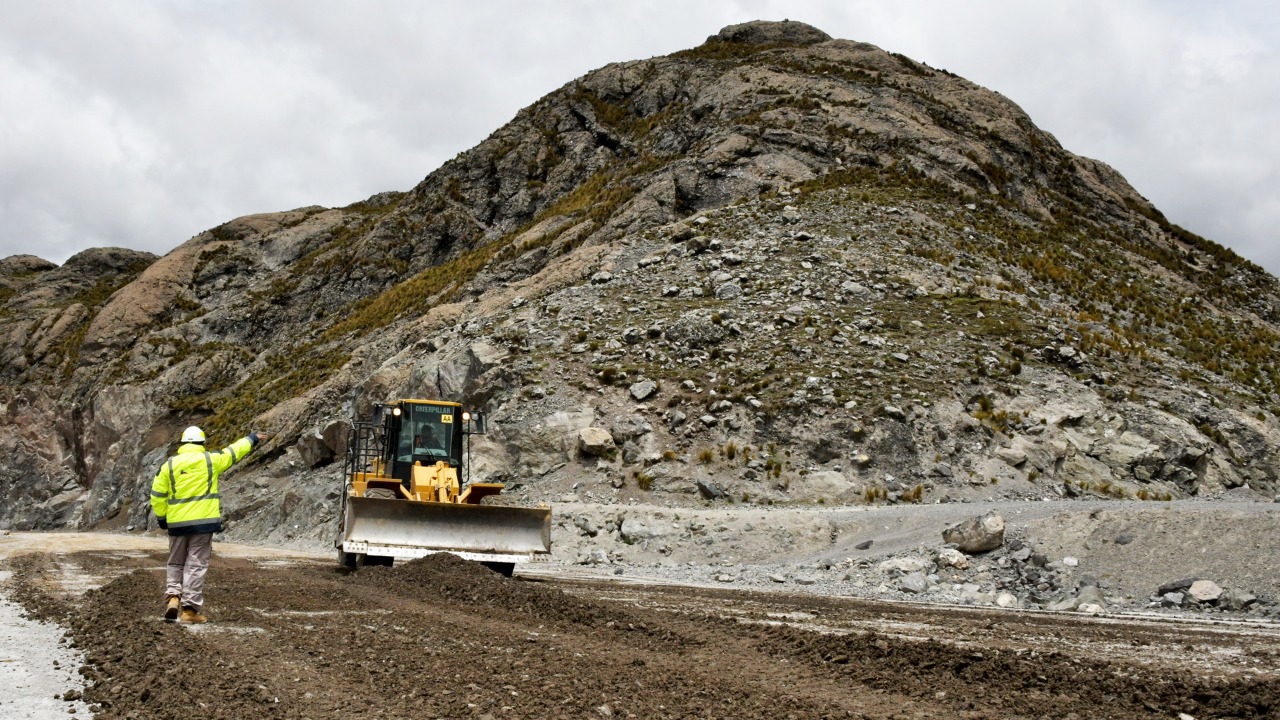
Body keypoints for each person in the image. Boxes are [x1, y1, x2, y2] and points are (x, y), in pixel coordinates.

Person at [150, 425, 269, 623]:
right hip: (203, 523)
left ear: (183, 443)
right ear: (202, 443)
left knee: (176, 562)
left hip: (177, 524)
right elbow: (234, 452)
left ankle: (173, 597)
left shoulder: (169, 465)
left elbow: (157, 494)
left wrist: (162, 518)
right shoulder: (210, 460)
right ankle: (189, 611)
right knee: (196, 564)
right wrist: (252, 438)